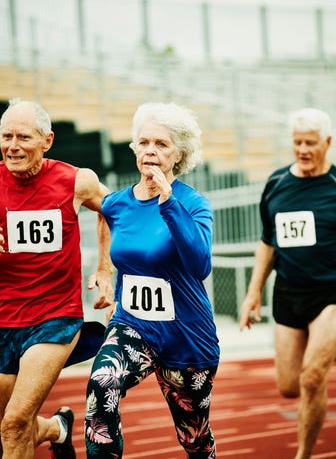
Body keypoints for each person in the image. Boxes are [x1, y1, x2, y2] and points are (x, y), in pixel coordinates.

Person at [84, 102, 220, 458]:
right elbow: (103, 214)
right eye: (143, 143)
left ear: (179, 155)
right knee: (102, 385)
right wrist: (103, 270)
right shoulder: (119, 204)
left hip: (186, 337)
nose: (150, 151)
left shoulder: (193, 204)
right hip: (133, 326)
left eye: (161, 144)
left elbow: (199, 264)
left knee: (195, 440)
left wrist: (167, 201)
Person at [239, 107, 336, 459]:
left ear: (328, 143)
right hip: (289, 293)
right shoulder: (277, 184)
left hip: (334, 295)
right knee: (289, 386)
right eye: (297, 143)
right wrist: (252, 294)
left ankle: (303, 455)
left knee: (311, 377)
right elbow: (267, 242)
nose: (303, 150)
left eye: (310, 143)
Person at [0, 98, 114, 459]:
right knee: (8, 426)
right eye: (6, 137)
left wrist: (105, 268)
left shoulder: (76, 180)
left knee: (14, 423)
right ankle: (58, 428)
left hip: (54, 317)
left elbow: (114, 212)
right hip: (4, 316)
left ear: (47, 141)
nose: (12, 146)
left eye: (23, 137)